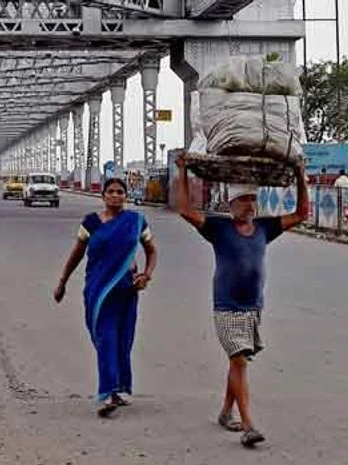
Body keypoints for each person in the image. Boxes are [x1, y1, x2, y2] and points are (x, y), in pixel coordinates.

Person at [175, 152, 309, 447]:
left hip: (253, 307)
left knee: (239, 362)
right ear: (230, 204)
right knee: (238, 360)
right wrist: (183, 171)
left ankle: (226, 412)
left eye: (252, 200)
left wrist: (300, 175)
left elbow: (301, 214)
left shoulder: (265, 228)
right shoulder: (218, 228)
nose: (249, 205)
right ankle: (248, 425)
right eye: (243, 200)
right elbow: (185, 209)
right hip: (227, 307)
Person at [54, 178, 157, 417]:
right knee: (105, 339)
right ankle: (109, 391)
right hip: (99, 291)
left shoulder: (136, 221)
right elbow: (76, 254)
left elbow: (151, 251)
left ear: (126, 196)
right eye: (110, 191)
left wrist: (146, 275)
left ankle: (119, 389)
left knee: (123, 340)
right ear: (103, 196)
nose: (115, 195)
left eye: (120, 192)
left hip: (127, 290)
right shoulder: (91, 222)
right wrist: (62, 282)